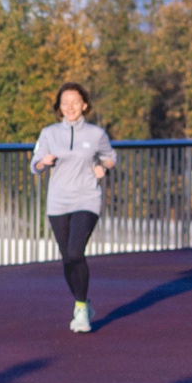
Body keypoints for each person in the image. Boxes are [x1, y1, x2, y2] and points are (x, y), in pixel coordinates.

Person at [29, 83, 116, 334]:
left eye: (75, 102)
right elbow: (34, 165)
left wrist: (104, 168)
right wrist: (42, 162)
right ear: (59, 107)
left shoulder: (96, 134)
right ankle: (83, 302)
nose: (70, 107)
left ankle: (80, 310)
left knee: (76, 251)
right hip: (58, 201)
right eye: (65, 103)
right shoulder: (49, 133)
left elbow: (110, 157)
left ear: (84, 105)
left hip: (87, 198)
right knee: (67, 258)